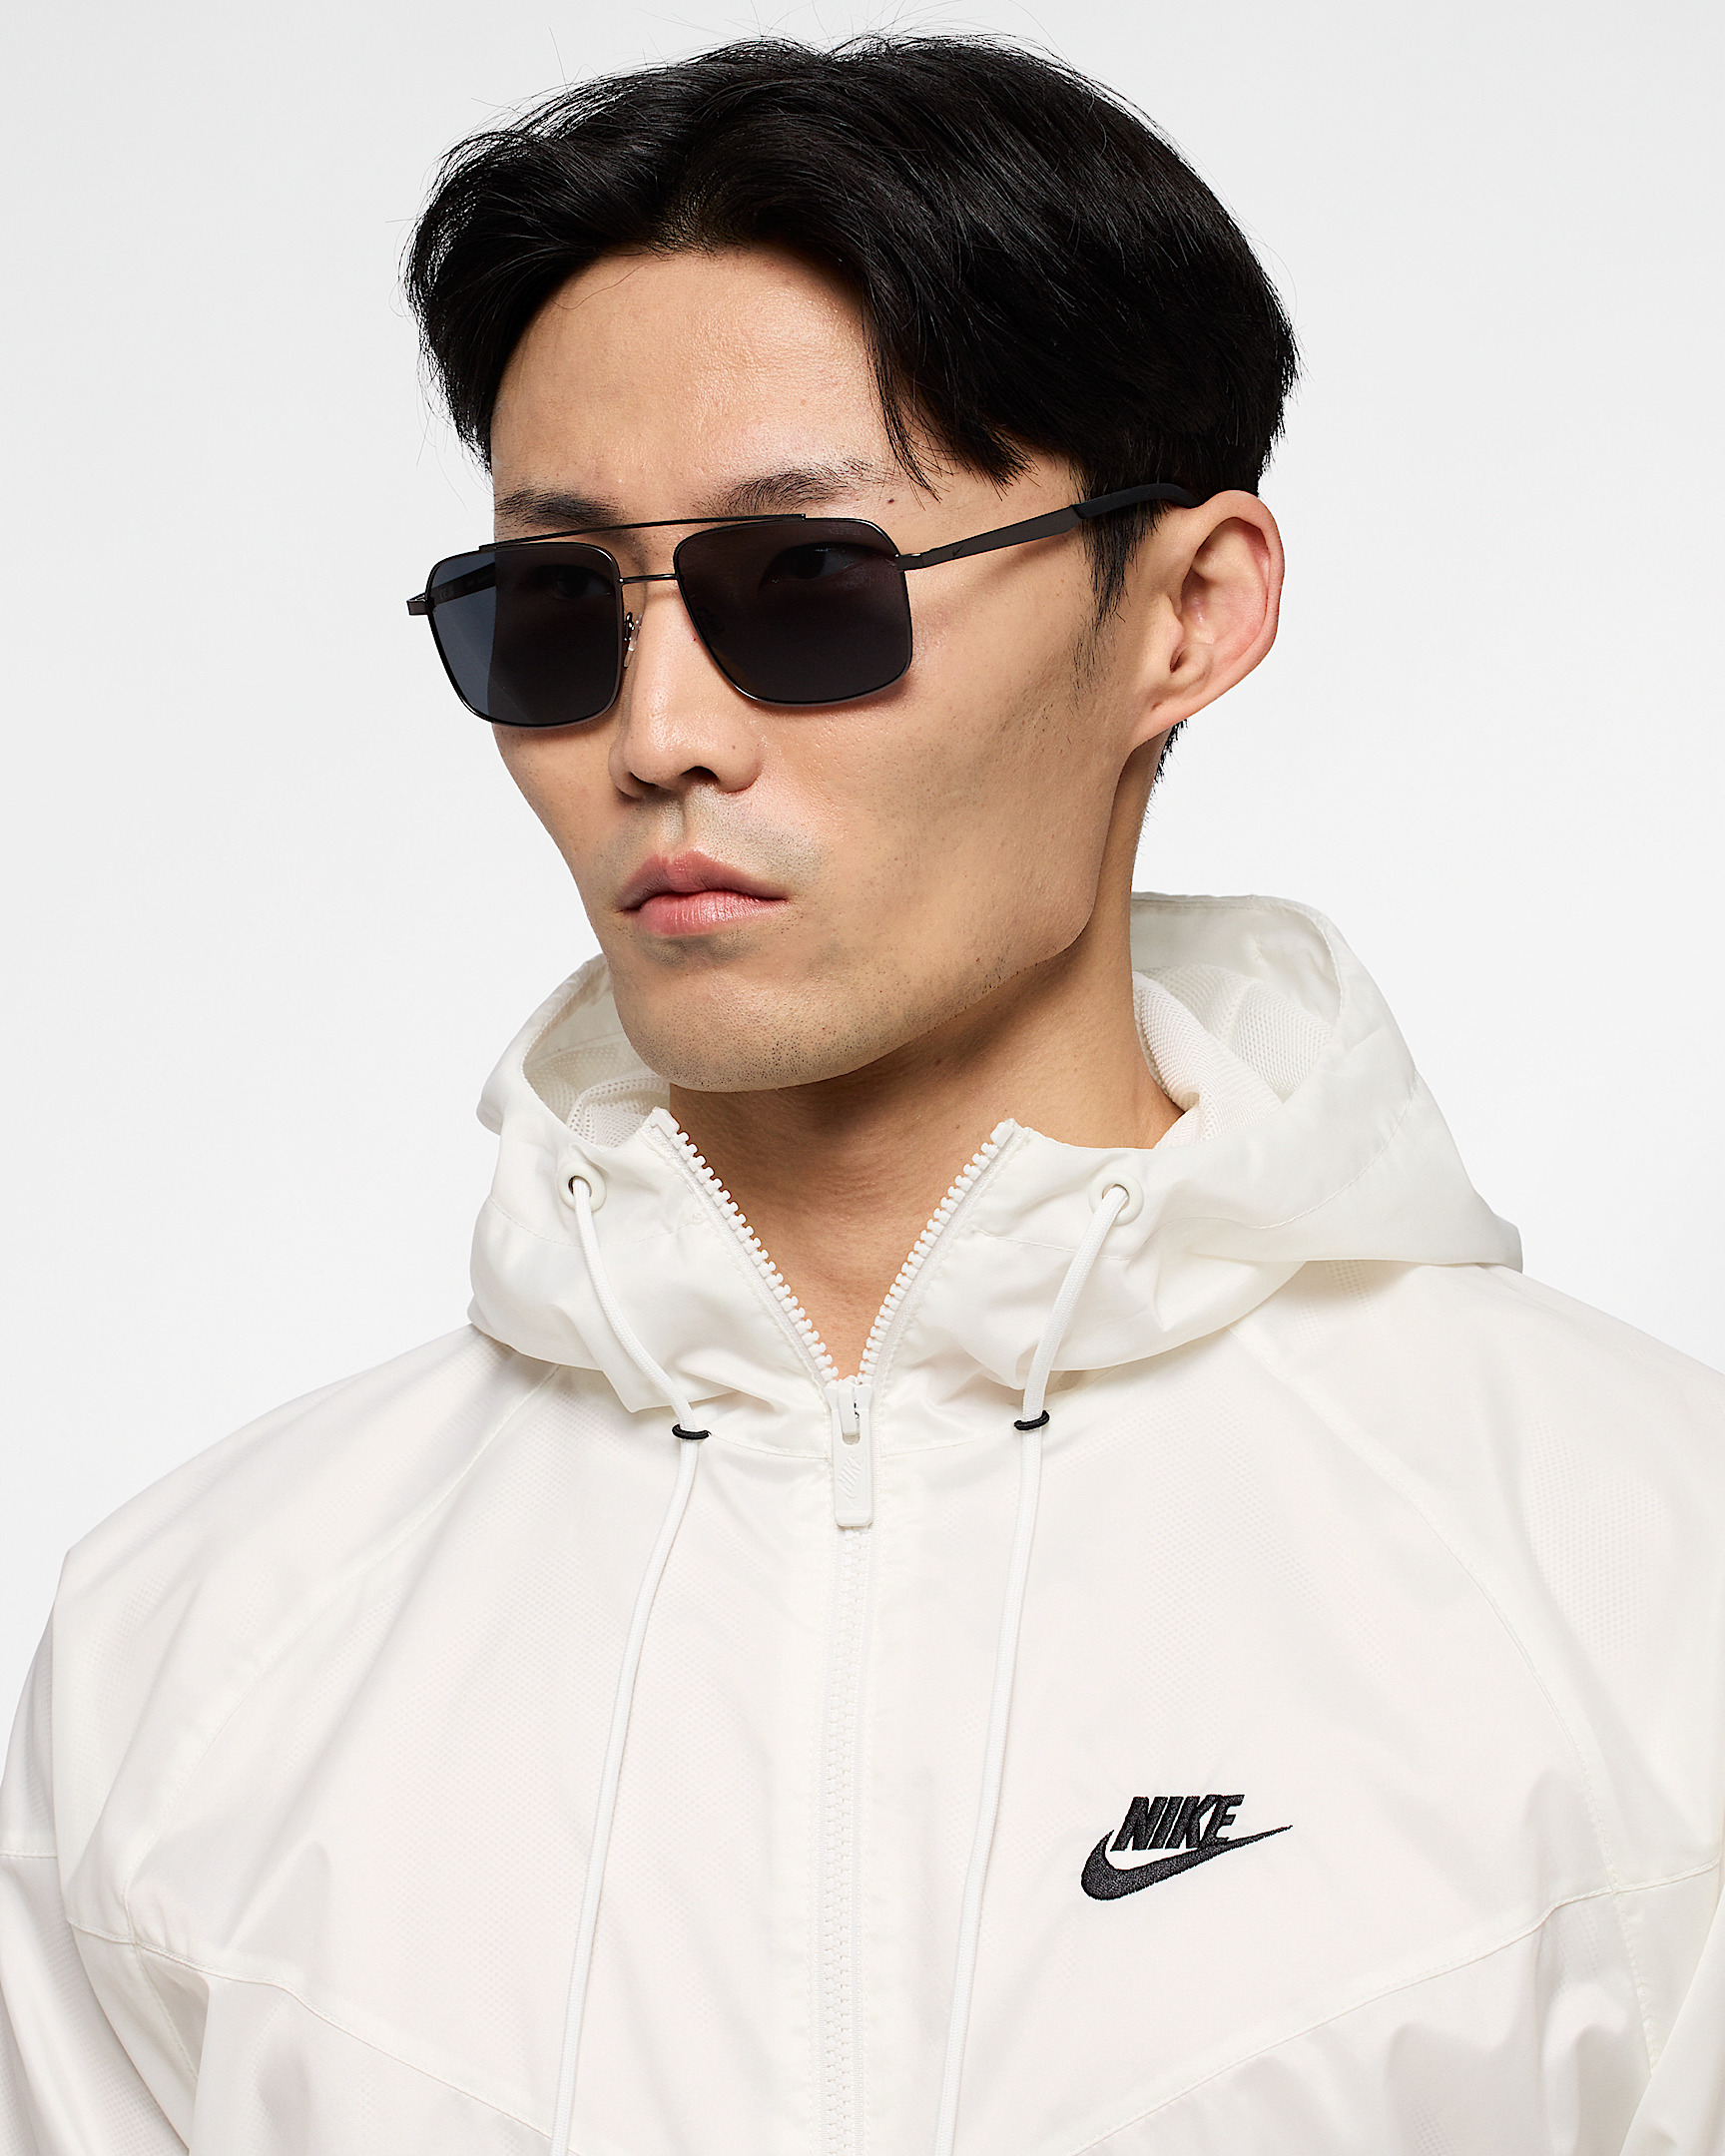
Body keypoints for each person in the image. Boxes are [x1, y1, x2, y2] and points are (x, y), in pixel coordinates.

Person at [3, 31, 1721, 2155]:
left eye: (806, 586)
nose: (657, 732)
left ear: (1188, 613)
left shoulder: (1651, 1580)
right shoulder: (195, 1653)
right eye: (554, 609)